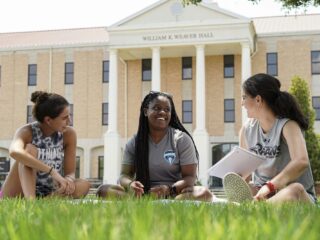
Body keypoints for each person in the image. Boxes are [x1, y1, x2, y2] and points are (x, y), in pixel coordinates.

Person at [97, 91, 213, 201]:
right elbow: (124, 175)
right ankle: (144, 201)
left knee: (204, 193)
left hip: (173, 192)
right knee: (103, 190)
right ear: (146, 111)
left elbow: (190, 177)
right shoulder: (135, 142)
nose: (162, 112)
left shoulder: (181, 139)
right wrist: (131, 184)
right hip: (143, 193)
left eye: (167, 109)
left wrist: (170, 189)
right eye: (157, 108)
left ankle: (171, 201)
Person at [224, 73, 317, 204]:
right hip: (262, 194)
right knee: (248, 190)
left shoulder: (288, 126)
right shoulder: (246, 130)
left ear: (258, 100)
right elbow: (245, 173)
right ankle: (253, 207)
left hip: (294, 194)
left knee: (295, 190)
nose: (242, 103)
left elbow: (301, 161)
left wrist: (271, 186)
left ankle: (254, 210)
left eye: (244, 97)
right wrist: (238, 181)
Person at [0, 91, 91, 199]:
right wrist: (52, 172)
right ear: (48, 120)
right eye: (64, 118)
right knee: (29, 150)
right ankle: (31, 202)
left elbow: (70, 172)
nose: (69, 121)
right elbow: (15, 152)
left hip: (49, 191)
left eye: (69, 116)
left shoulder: (69, 134)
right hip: (19, 190)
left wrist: (68, 180)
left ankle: (47, 201)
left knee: (84, 185)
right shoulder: (26, 131)